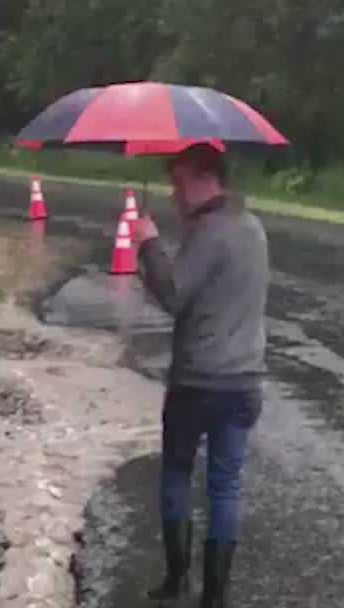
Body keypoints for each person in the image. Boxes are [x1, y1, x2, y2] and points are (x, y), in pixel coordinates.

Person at [131, 143, 269, 608]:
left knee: (175, 472)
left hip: (198, 381)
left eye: (178, 183)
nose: (174, 194)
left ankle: (176, 582)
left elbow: (173, 295)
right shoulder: (251, 227)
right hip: (245, 380)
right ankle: (215, 597)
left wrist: (147, 243)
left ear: (202, 177)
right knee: (225, 485)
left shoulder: (209, 231)